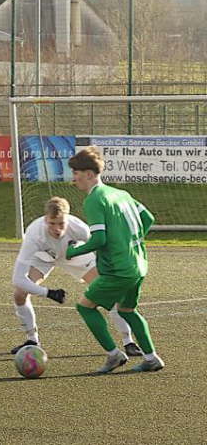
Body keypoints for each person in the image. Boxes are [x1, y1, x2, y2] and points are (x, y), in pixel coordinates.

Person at [66, 146, 164, 373]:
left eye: (77, 173)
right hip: (138, 264)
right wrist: (128, 241)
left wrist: (73, 252)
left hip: (119, 269)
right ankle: (151, 358)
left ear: (89, 174)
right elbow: (148, 218)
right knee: (127, 310)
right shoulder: (121, 194)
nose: (74, 178)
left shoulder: (94, 199)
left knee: (85, 307)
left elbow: (99, 239)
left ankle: (114, 355)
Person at [11, 196, 142, 356]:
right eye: (52, 223)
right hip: (44, 257)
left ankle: (128, 342)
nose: (56, 229)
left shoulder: (79, 228)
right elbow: (18, 278)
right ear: (45, 219)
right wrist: (48, 293)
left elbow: (101, 245)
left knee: (110, 292)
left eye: (61, 224)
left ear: (68, 218)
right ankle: (32, 340)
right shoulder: (33, 234)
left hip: (75, 255)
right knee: (19, 294)